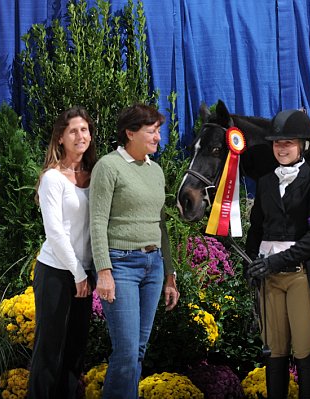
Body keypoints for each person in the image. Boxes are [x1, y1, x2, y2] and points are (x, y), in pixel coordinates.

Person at [89, 104, 180, 398]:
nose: (157, 138)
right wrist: (104, 271)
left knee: (138, 350)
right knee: (127, 352)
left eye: (158, 131)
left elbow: (162, 225)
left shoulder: (156, 171)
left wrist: (169, 274)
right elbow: (97, 222)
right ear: (130, 133)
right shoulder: (108, 166)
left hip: (153, 267)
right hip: (121, 265)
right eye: (151, 131)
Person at [246, 109, 310, 399]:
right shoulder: (265, 182)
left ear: (303, 145)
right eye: (277, 143)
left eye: (288, 143)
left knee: (305, 350)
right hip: (268, 278)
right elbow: (256, 228)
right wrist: (251, 262)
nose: (281, 148)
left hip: (300, 275)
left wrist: (276, 261)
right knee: (275, 351)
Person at [28, 106, 97, 399]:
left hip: (85, 273)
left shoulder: (96, 176)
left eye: (84, 130)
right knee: (49, 351)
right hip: (57, 272)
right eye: (73, 131)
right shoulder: (52, 179)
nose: (80, 135)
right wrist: (78, 274)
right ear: (60, 138)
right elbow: (55, 233)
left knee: (75, 353)